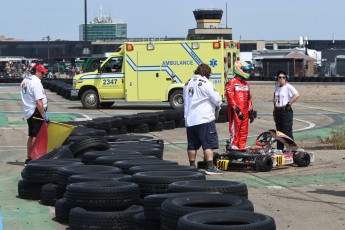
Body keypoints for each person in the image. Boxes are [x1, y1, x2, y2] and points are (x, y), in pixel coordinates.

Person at [183, 63, 224, 175]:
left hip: (190, 119)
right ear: (207, 73)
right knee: (208, 143)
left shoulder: (187, 83)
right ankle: (210, 167)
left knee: (192, 144)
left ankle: (192, 166)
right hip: (204, 118)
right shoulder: (206, 83)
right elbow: (217, 100)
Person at [20, 64, 50, 165]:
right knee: (35, 136)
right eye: (42, 73)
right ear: (37, 71)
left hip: (28, 110)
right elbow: (38, 102)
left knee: (32, 135)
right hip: (35, 111)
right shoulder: (36, 83)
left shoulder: (25, 80)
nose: (43, 75)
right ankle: (32, 159)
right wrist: (43, 115)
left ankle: (30, 157)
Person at [225, 61, 256, 150]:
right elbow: (230, 97)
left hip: (245, 111)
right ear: (239, 69)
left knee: (244, 131)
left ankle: (242, 147)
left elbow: (249, 98)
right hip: (236, 112)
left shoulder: (246, 84)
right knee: (235, 130)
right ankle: (233, 146)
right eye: (245, 71)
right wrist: (237, 110)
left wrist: (250, 110)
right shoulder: (232, 82)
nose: (247, 73)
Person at [273, 70, 300, 150]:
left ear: (286, 78)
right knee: (279, 133)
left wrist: (289, 103)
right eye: (280, 77)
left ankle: (291, 149)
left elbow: (296, 95)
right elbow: (275, 98)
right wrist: (274, 109)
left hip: (285, 111)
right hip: (278, 111)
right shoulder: (277, 87)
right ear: (277, 78)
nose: (281, 79)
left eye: (283, 77)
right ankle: (279, 150)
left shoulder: (288, 86)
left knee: (287, 131)